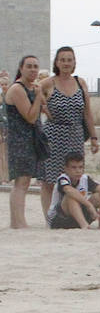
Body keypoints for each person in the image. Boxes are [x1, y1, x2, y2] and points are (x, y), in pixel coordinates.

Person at [38, 47, 99, 217]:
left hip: (75, 134)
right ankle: (49, 216)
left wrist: (94, 137)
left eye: (69, 60)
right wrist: (43, 108)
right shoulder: (49, 83)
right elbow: (31, 92)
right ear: (56, 62)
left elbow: (87, 112)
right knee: (50, 179)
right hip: (53, 136)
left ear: (74, 63)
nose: (66, 63)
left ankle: (70, 213)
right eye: (62, 59)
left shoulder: (80, 83)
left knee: (74, 176)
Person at [5, 56, 46, 228]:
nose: (33, 70)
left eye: (36, 66)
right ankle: (18, 222)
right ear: (21, 68)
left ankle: (18, 221)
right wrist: (38, 97)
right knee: (21, 181)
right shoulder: (17, 89)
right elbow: (30, 116)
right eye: (29, 66)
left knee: (26, 180)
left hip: (31, 140)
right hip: (19, 140)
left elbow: (42, 111)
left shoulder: (32, 88)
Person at [46, 152, 100, 229]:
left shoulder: (84, 178)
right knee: (70, 197)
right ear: (66, 169)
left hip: (78, 215)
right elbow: (69, 190)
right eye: (74, 167)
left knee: (98, 197)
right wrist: (89, 205)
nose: (78, 171)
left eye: (80, 167)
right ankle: (84, 225)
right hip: (59, 219)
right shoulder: (63, 178)